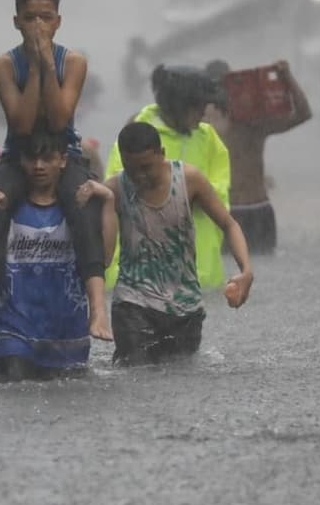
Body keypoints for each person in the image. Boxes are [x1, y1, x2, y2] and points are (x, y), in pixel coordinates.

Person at [0, 0, 107, 349]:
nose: (38, 26)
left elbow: (59, 120)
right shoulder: (4, 65)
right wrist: (36, 67)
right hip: (17, 155)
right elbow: (23, 124)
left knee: (84, 202)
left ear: (58, 21)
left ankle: (98, 306)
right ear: (16, 21)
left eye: (46, 17)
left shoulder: (73, 62)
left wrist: (46, 61)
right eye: (30, 18)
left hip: (64, 155)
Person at [84, 122, 253, 366]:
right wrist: (108, 203)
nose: (140, 176)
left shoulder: (189, 180)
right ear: (122, 160)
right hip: (133, 304)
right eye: (132, 169)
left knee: (180, 377)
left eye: (146, 167)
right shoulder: (115, 189)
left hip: (185, 307)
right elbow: (106, 258)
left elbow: (229, 224)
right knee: (135, 376)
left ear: (162, 155)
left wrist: (246, 270)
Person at [0, 130, 113, 381]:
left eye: (47, 159)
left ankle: (99, 313)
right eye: (31, 159)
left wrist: (109, 201)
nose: (39, 166)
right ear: (20, 161)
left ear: (63, 160)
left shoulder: (78, 208)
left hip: (67, 336)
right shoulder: (4, 205)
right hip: (12, 335)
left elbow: (106, 258)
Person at [104, 65, 229, 289]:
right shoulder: (138, 136)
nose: (204, 112)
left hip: (202, 276)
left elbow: (221, 196)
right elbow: (115, 197)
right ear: (179, 105)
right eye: (199, 105)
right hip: (142, 281)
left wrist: (193, 193)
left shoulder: (208, 138)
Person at [203, 59, 312, 254]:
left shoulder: (253, 120)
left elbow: (303, 114)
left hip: (255, 210)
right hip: (229, 211)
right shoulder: (199, 122)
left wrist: (287, 77)